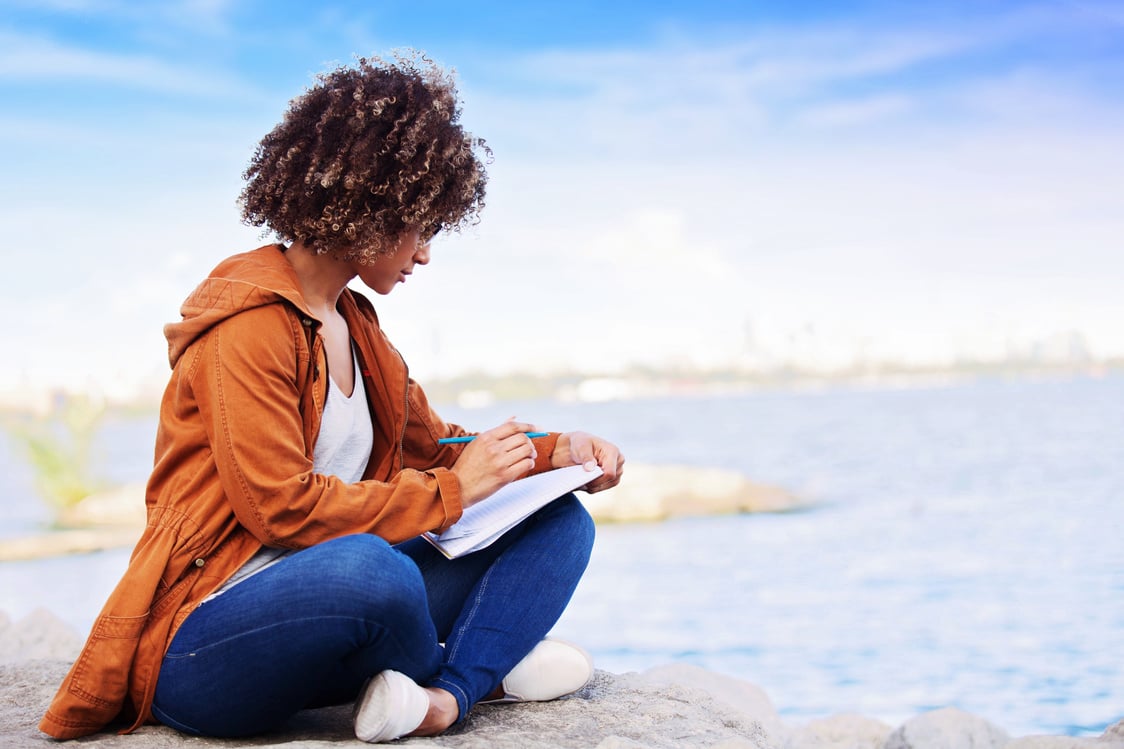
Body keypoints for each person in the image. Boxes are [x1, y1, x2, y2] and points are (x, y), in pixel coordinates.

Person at [39, 51, 624, 743]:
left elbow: (435, 446)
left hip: (330, 624)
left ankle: (444, 697)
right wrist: (448, 494)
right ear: (372, 205)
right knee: (373, 567)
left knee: (560, 522)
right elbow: (280, 508)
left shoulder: (357, 326)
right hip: (207, 645)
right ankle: (486, 669)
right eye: (422, 226)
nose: (426, 253)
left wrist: (558, 453)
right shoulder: (249, 327)